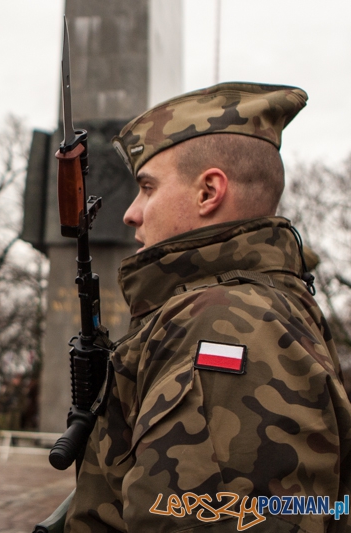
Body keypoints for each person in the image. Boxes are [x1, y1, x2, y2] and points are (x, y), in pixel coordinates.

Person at [65, 83, 351, 532]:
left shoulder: (226, 322)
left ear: (208, 192)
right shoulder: (241, 308)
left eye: (147, 187)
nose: (131, 212)